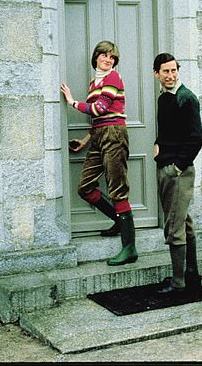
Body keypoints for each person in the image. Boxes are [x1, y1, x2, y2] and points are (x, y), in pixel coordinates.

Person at [60, 40, 138, 266]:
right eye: (104, 55)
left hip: (114, 134)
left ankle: (129, 248)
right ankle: (117, 219)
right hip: (99, 135)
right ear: (96, 57)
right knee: (85, 187)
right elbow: (96, 120)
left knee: (118, 189)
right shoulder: (95, 83)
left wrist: (72, 102)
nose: (108, 59)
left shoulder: (113, 78)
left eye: (112, 57)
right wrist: (85, 141)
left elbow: (100, 109)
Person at [152, 53, 202, 293]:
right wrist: (157, 143)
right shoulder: (164, 98)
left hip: (178, 172)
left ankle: (178, 283)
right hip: (166, 165)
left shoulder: (186, 99)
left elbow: (196, 139)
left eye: (174, 71)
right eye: (165, 71)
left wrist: (177, 167)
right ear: (156, 74)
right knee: (184, 222)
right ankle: (192, 274)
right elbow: (169, 130)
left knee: (174, 225)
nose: (170, 75)